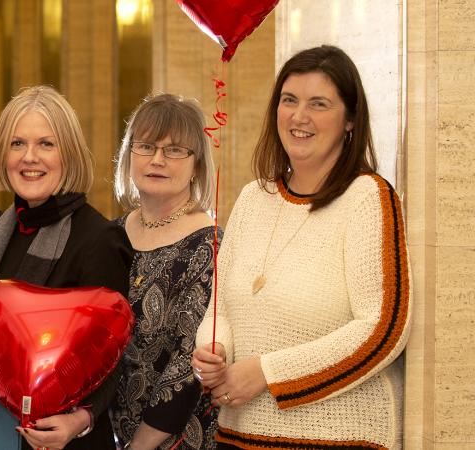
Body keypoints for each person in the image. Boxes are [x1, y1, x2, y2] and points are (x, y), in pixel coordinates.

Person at [191, 45, 410, 450]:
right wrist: (215, 350)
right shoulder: (253, 198)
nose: (299, 116)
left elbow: (381, 331)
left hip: (336, 440)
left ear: (350, 120)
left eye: (319, 103)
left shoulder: (368, 198)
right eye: (289, 100)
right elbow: (219, 307)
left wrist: (267, 373)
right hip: (238, 435)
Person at [0, 85, 132, 450]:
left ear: (68, 154)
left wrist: (80, 420)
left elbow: (117, 354)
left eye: (46, 144)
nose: (29, 157)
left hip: (62, 438)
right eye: (17, 144)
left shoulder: (99, 238)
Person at [108, 94, 219, 450]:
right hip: (104, 433)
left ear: (197, 164)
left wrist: (138, 446)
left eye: (174, 150)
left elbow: (188, 366)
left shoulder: (210, 246)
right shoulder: (109, 235)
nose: (157, 160)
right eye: (146, 146)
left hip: (178, 438)